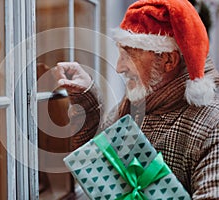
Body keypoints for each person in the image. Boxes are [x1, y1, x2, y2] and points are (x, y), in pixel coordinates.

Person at [53, 0, 219, 199]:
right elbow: (98, 169)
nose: (119, 67)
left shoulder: (213, 126)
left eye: (129, 55)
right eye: (120, 53)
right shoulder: (140, 99)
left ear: (168, 61)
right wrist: (85, 97)